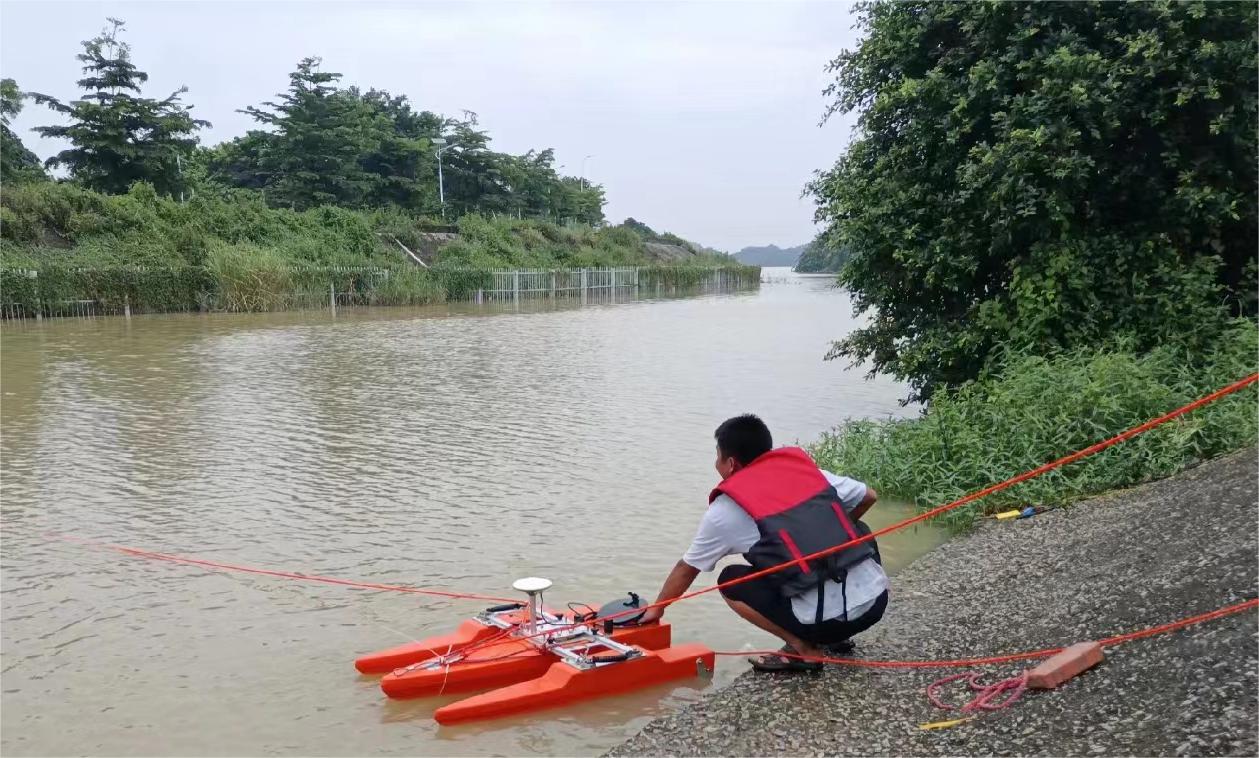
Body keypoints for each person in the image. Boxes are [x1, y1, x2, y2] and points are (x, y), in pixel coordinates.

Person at [638, 414, 889, 672]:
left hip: (823, 624)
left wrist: (657, 610)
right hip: (875, 604)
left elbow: (687, 568)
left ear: (731, 463)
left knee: (730, 580)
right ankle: (837, 638)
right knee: (858, 530)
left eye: (718, 456)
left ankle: (805, 650)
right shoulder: (810, 475)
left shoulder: (725, 511)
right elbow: (868, 496)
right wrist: (831, 532)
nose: (716, 463)